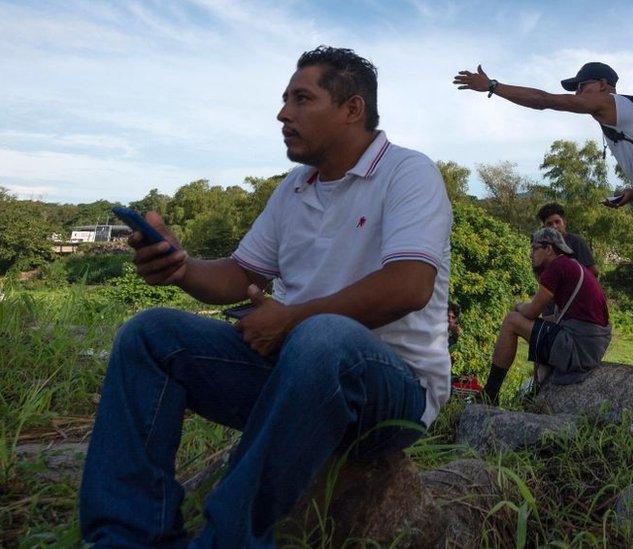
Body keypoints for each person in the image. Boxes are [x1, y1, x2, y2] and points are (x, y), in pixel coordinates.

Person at [80, 46, 452, 546]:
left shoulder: (408, 174)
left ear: (352, 108)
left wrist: (291, 319)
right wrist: (180, 268)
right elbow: (238, 274)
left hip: (393, 393)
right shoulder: (293, 190)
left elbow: (411, 285)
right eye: (284, 100)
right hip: (295, 376)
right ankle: (125, 536)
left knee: (322, 337)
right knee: (150, 335)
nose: (283, 113)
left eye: (302, 99)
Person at [455, 62, 633, 448]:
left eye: (581, 85)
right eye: (574, 87)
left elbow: (544, 101)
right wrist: (631, 192)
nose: (577, 92)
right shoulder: (619, 125)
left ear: (604, 85)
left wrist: (492, 85)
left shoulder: (613, 105)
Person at [481, 228, 611, 405]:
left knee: (512, 321)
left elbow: (531, 311)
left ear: (549, 248)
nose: (531, 254)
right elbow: (553, 319)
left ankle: (490, 394)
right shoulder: (572, 265)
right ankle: (536, 391)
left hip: (579, 346)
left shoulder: (556, 266)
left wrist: (517, 305)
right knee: (539, 329)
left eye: (535, 249)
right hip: (591, 344)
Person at [536, 202, 597, 275]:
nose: (554, 226)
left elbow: (593, 271)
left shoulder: (576, 242)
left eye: (557, 222)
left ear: (564, 223)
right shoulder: (543, 248)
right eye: (549, 224)